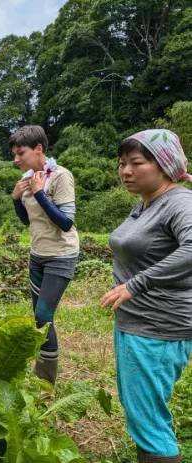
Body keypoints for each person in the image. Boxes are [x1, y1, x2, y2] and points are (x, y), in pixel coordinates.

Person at [100, 129, 192, 463]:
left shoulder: (179, 203)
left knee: (149, 422)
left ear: (165, 165)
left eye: (136, 163)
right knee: (141, 415)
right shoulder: (147, 204)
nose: (125, 171)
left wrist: (136, 284)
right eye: (122, 163)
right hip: (135, 322)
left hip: (158, 328)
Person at [10, 125, 79, 387]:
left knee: (43, 316)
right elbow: (29, 221)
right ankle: (42, 377)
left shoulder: (61, 176)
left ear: (39, 149)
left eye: (21, 153)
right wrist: (17, 198)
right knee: (39, 318)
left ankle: (45, 383)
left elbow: (66, 223)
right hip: (37, 255)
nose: (16, 159)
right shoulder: (29, 178)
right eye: (14, 154)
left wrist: (39, 192)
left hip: (60, 256)